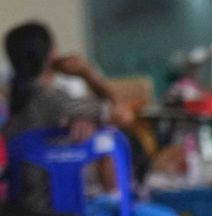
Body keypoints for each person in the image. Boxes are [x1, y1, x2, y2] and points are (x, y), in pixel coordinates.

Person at [3, 22, 131, 141]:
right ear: (52, 53)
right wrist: (87, 73)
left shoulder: (11, 98)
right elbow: (123, 114)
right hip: (56, 164)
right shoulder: (57, 100)